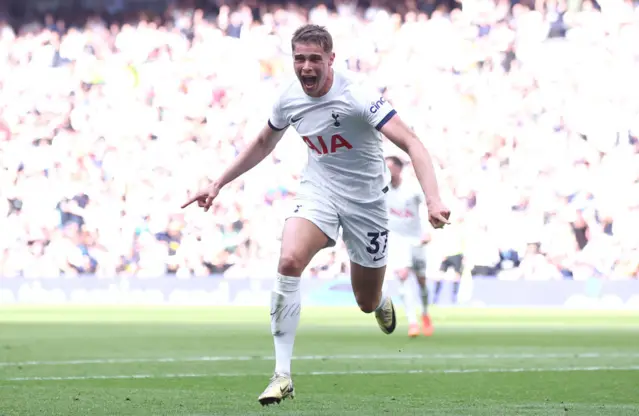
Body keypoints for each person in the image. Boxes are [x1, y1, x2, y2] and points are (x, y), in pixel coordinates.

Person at [181, 24, 450, 406]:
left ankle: (379, 300)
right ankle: (282, 374)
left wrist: (434, 199)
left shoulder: (357, 95)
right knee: (289, 260)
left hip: (367, 203)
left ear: (331, 60)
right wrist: (218, 183)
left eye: (314, 59)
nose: (306, 67)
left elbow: (412, 143)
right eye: (299, 59)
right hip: (319, 191)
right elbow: (262, 142)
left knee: (365, 300)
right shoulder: (289, 99)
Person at [385, 155, 434, 337]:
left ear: (399, 169)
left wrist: (428, 230)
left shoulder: (412, 189)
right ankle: (412, 322)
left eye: (390, 168)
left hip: (416, 240)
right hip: (396, 240)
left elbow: (428, 205)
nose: (387, 171)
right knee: (402, 276)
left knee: (421, 282)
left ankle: (425, 313)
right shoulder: (381, 189)